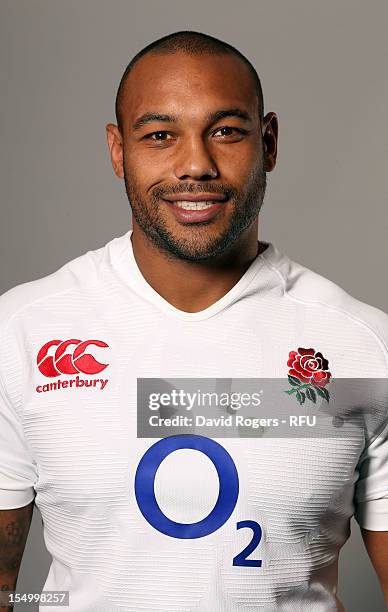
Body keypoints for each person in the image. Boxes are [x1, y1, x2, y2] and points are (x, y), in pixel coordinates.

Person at [0, 30, 387, 612]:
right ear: (117, 150)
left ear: (270, 143)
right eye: (159, 136)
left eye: (226, 132)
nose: (195, 165)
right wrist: (65, 602)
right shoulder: (23, 330)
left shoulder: (364, 347)